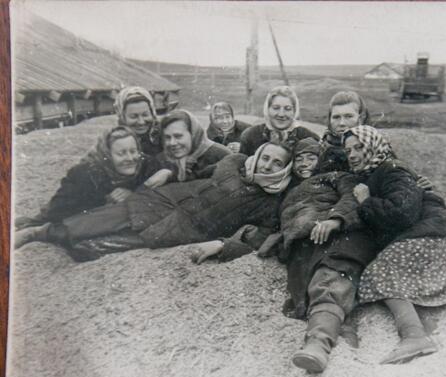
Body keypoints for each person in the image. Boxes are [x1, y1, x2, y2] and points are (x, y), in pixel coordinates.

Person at [194, 138, 378, 373]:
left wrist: (335, 220)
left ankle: (318, 346)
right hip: (303, 246)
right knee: (306, 293)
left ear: (321, 159)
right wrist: (224, 245)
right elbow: (265, 234)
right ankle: (342, 338)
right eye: (299, 158)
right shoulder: (286, 195)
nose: (304, 162)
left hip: (340, 235)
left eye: (311, 157)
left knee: (329, 279)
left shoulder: (337, 176)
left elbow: (352, 197)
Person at [14, 143, 294, 258]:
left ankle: (66, 243)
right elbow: (198, 171)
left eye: (276, 163)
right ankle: (39, 232)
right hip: (165, 200)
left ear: (284, 169)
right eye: (266, 157)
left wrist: (222, 246)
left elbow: (257, 238)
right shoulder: (233, 163)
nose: (268, 165)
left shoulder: (270, 203)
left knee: (94, 248)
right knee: (99, 220)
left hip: (186, 229)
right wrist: (170, 171)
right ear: (257, 156)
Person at [344, 125, 446, 365]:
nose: (352, 155)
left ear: (374, 147)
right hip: (435, 235)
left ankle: (414, 336)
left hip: (435, 235)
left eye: (359, 147)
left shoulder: (392, 170)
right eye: (348, 151)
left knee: (378, 272)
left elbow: (402, 213)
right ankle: (422, 327)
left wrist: (367, 201)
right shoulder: (378, 173)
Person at [14, 126, 172, 229]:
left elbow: (168, 181)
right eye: (121, 153)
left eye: (133, 151)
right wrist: (105, 200)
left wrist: (135, 193)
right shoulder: (85, 174)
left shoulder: (146, 164)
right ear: (107, 155)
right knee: (38, 222)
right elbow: (61, 211)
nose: (130, 158)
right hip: (61, 208)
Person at [239, 86, 319, 156]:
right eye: (276, 108)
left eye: (287, 109)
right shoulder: (251, 135)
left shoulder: (308, 137)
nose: (281, 114)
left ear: (294, 111)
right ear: (268, 109)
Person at [158, 109, 232, 182]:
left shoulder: (222, 156)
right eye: (167, 137)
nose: (172, 143)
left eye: (178, 136)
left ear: (193, 134)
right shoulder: (164, 159)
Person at [319, 90, 370, 172]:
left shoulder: (375, 149)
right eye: (336, 117)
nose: (341, 123)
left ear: (360, 118)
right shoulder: (319, 150)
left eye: (349, 116)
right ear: (329, 119)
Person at [114, 86, 163, 157]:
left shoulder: (164, 138)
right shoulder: (114, 143)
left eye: (145, 115)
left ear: (153, 113)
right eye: (134, 116)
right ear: (122, 117)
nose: (141, 122)